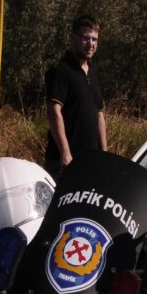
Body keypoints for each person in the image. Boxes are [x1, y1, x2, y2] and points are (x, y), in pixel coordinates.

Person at [44, 15, 106, 179]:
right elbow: (53, 112)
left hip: (90, 162)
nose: (91, 44)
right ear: (73, 37)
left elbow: (99, 114)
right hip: (64, 163)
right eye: (86, 38)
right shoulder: (61, 70)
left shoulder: (92, 71)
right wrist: (65, 152)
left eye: (94, 39)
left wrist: (105, 155)